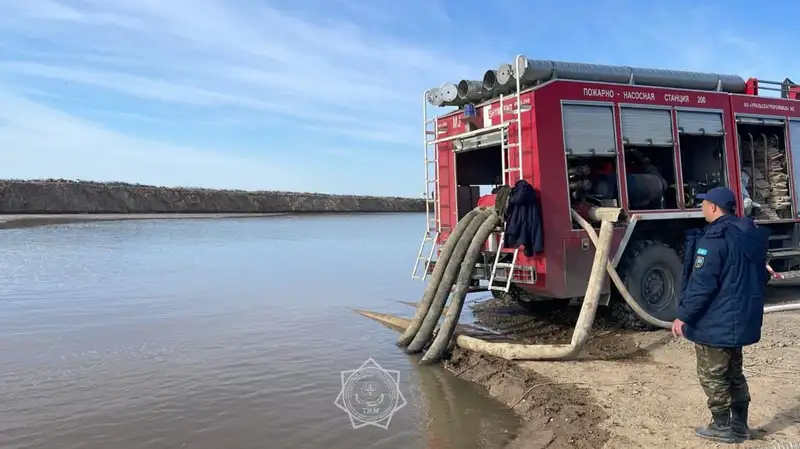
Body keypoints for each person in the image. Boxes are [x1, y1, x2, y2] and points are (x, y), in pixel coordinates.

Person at [672, 186, 770, 444]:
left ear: (714, 207)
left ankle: (721, 427)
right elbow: (762, 276)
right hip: (738, 321)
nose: (701, 207)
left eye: (704, 203)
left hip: (715, 323)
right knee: (734, 374)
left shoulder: (714, 239)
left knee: (713, 375)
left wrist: (683, 316)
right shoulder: (748, 235)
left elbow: (702, 284)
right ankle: (740, 426)